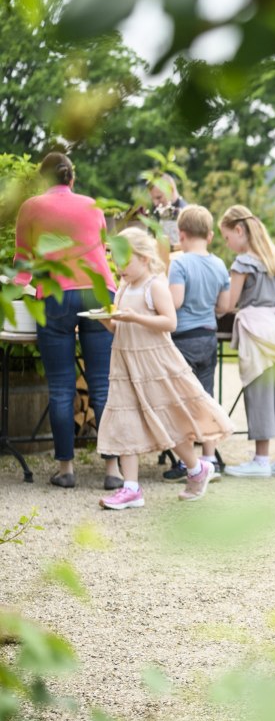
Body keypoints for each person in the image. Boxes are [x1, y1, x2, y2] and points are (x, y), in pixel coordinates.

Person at [94, 229, 234, 509]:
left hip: (154, 364)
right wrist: (106, 319)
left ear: (145, 258)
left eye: (125, 260)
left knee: (168, 422)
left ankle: (197, 469)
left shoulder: (154, 285)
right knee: (126, 422)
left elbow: (170, 322)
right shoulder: (123, 288)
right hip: (125, 363)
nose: (119, 267)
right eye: (116, 262)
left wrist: (135, 317)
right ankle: (131, 488)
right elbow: (119, 326)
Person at [13, 152, 123, 490]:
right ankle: (113, 471)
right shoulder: (92, 205)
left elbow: (22, 262)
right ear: (71, 179)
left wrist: (16, 291)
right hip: (98, 293)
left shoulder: (30, 207)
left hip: (57, 295)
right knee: (103, 385)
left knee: (61, 386)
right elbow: (102, 252)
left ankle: (66, 469)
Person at [218, 205, 275, 478]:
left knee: (259, 394)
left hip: (256, 332)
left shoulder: (242, 264)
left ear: (239, 230)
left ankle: (261, 460)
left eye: (228, 238)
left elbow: (229, 304)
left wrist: (219, 302)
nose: (228, 245)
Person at [161, 205, 232, 482]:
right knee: (206, 399)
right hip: (208, 337)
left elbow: (175, 302)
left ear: (181, 234)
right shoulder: (219, 264)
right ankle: (210, 457)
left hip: (184, 339)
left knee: (182, 401)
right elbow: (224, 306)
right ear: (211, 235)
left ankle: (185, 462)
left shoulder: (179, 263)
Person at [146, 173, 187, 249]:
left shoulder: (188, 215)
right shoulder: (155, 213)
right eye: (153, 199)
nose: (156, 203)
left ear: (170, 190)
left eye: (159, 197)